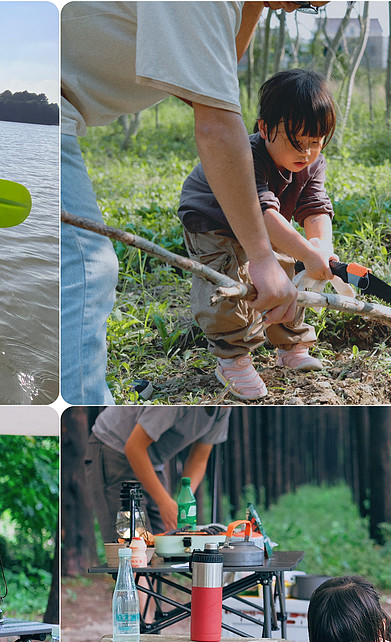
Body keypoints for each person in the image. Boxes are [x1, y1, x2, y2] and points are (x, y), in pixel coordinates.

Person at [61, 2, 314, 404]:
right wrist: (262, 258)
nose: (304, 7)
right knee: (86, 267)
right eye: (308, 1)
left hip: (51, 106)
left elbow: (216, 72)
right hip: (31, 105)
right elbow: (215, 119)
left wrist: (252, 6)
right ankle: (87, 405)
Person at [179, 69, 338, 400]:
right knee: (228, 281)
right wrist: (308, 254)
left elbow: (315, 207)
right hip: (212, 221)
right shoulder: (246, 155)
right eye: (297, 141)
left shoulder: (312, 162)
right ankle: (232, 356)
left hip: (263, 219)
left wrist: (320, 248)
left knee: (287, 272)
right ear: (264, 128)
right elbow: (262, 214)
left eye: (316, 142)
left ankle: (291, 345)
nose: (306, 152)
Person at [85, 406, 229, 540]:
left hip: (151, 462)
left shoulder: (224, 409)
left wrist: (183, 501)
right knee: (132, 543)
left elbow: (199, 459)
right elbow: (134, 447)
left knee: (164, 542)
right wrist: (163, 502)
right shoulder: (178, 402)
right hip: (114, 449)